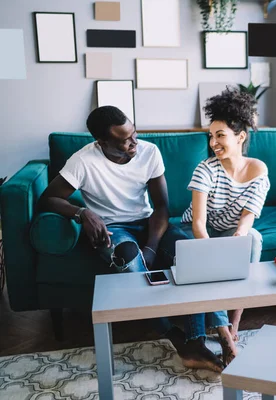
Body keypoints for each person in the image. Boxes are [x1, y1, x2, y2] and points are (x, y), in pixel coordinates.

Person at [38, 106, 235, 372]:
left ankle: (196, 341)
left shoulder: (148, 152)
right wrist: (82, 213)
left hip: (148, 223)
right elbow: (48, 198)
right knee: (129, 260)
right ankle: (178, 341)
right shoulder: (83, 161)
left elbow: (162, 208)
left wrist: (152, 247)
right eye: (125, 140)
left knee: (193, 257)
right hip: (113, 229)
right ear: (102, 142)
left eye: (134, 133)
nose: (134, 142)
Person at [181, 88, 270, 346]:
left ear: (240, 137)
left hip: (228, 230)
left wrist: (238, 238)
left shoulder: (258, 170)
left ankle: (235, 321)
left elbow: (247, 218)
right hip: (194, 229)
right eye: (211, 136)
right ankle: (222, 332)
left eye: (220, 135)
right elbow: (198, 222)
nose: (213, 143)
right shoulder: (205, 169)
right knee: (206, 259)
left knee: (253, 238)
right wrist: (212, 250)